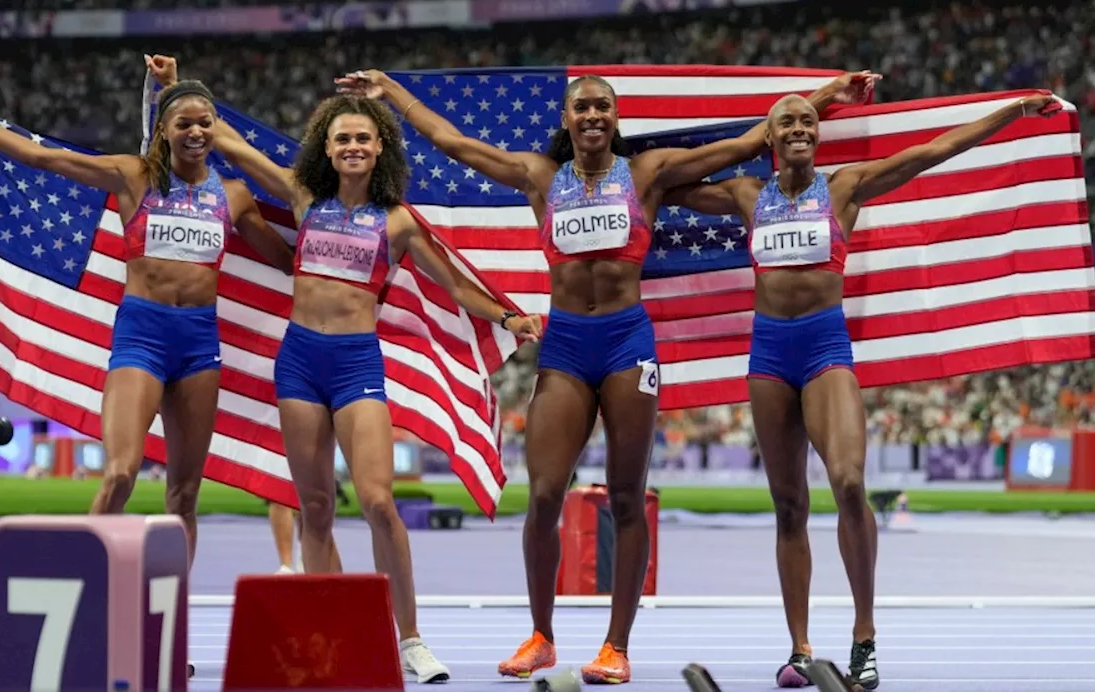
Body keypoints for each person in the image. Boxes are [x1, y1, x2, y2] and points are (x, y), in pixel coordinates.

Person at [336, 67, 878, 683]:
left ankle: (616, 645)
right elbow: (459, 145)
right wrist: (395, 96)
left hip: (628, 345)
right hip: (567, 345)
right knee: (542, 495)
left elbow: (755, 141)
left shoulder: (645, 174)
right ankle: (541, 635)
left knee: (626, 497)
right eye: (582, 108)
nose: (592, 116)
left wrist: (823, 100)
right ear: (567, 120)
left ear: (616, 120)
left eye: (602, 107)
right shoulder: (541, 177)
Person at [146, 54, 543, 684]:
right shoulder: (305, 198)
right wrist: (169, 91)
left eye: (362, 137)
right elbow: (222, 140)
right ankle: (326, 634)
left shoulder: (399, 222)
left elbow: (455, 286)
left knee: (380, 502)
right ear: (326, 150)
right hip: (299, 363)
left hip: (358, 364)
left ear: (379, 146)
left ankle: (409, 639)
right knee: (315, 506)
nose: (353, 146)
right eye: (342, 138)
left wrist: (507, 316)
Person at [666, 91, 1063, 690]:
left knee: (850, 483)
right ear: (768, 138)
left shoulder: (844, 187)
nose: (799, 128)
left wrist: (1013, 112)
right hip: (768, 355)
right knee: (789, 506)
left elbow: (936, 149)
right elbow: (664, 184)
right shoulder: (747, 194)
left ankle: (864, 635)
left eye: (807, 119)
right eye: (786, 122)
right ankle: (799, 648)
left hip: (825, 348)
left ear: (818, 135)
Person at [0, 80, 295, 561]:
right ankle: (82, 581)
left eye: (205, 123)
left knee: (184, 494)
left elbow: (286, 261)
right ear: (163, 131)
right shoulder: (133, 175)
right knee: (120, 472)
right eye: (184, 123)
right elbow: (42, 159)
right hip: (142, 337)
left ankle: (171, 612)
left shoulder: (234, 195)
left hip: (199, 345)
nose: (196, 131)